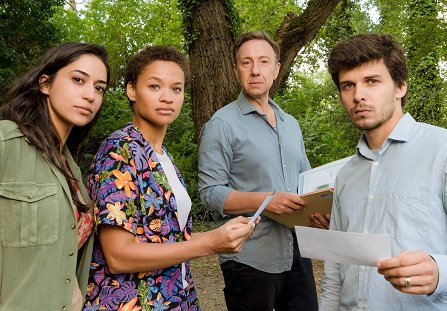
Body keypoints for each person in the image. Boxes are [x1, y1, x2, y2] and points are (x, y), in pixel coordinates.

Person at [83, 45, 256, 311]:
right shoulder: (120, 150)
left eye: (176, 89)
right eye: (155, 86)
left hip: (174, 298)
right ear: (131, 90)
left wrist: (219, 235)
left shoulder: (163, 157)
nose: (167, 97)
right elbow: (118, 256)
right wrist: (210, 244)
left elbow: (170, 239)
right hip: (132, 302)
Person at [318, 33, 447, 310]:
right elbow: (335, 269)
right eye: (347, 86)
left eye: (372, 81)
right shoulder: (346, 175)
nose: (358, 95)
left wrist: (442, 272)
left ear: (400, 87)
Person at [198, 31, 318, 311]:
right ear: (235, 70)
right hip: (249, 256)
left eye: (263, 62)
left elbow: (306, 182)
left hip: (297, 253)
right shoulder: (221, 124)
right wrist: (267, 201)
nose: (255, 70)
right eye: (246, 62)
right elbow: (210, 193)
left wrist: (319, 208)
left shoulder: (291, 124)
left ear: (276, 70)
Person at [0, 42, 110, 310]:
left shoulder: (70, 168)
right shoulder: (5, 141)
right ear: (45, 84)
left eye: (99, 88)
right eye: (78, 80)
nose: (90, 95)